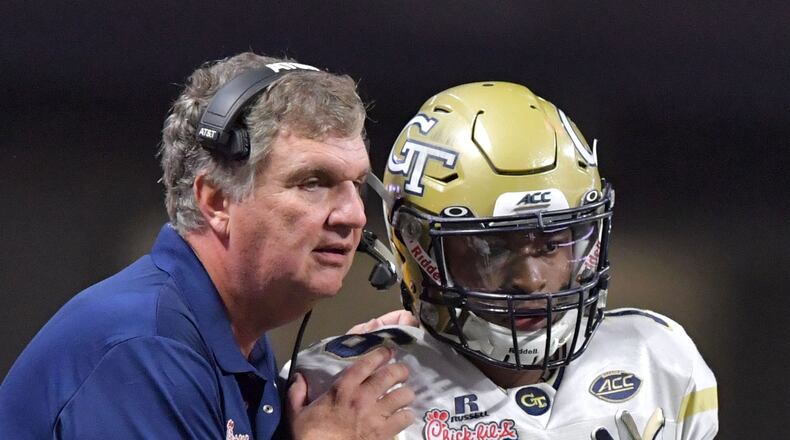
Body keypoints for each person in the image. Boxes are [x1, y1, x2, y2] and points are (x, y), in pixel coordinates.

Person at [0, 52, 415, 439]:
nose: (354, 216)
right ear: (217, 201)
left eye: (356, 185)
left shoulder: (233, 341)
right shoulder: (144, 350)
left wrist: (329, 376)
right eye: (312, 182)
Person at [288, 82, 719, 439]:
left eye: (551, 243)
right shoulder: (337, 388)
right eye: (491, 248)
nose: (530, 281)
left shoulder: (659, 359)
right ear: (416, 249)